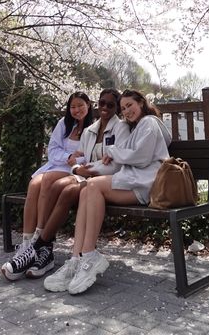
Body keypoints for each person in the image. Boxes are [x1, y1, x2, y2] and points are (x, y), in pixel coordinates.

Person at [44, 89, 169, 295]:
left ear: (141, 103)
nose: (127, 111)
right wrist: (83, 167)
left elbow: (141, 157)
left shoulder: (149, 123)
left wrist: (113, 152)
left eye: (130, 105)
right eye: (124, 108)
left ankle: (89, 255)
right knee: (86, 188)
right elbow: (117, 159)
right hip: (132, 181)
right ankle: (77, 258)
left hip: (146, 184)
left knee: (91, 186)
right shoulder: (135, 127)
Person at [1, 91, 93, 281]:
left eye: (80, 105)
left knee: (49, 179)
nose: (76, 110)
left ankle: (40, 238)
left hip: (75, 171)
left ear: (89, 105)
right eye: (73, 106)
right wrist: (68, 157)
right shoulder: (64, 124)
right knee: (34, 183)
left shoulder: (93, 127)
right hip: (58, 163)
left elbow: (91, 155)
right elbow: (53, 149)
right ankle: (27, 243)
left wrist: (75, 160)